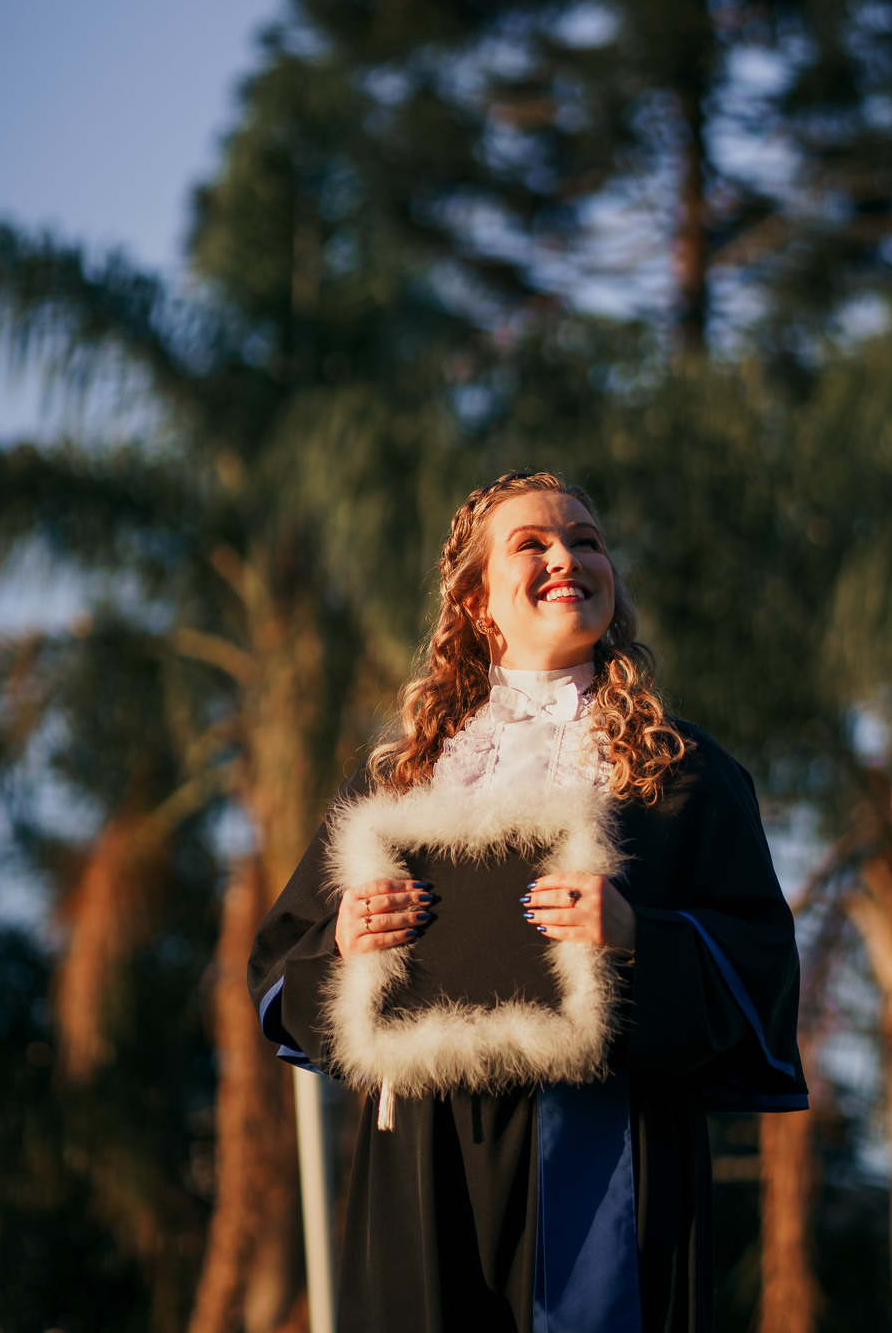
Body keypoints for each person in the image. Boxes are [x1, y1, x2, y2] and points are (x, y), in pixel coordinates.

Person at [249, 470, 806, 1333]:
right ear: (477, 603)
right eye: (533, 543)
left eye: (587, 540)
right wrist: (347, 946)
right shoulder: (398, 779)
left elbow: (760, 960)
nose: (566, 557)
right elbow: (285, 970)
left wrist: (638, 936)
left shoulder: (681, 773)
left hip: (607, 1140)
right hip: (423, 1156)